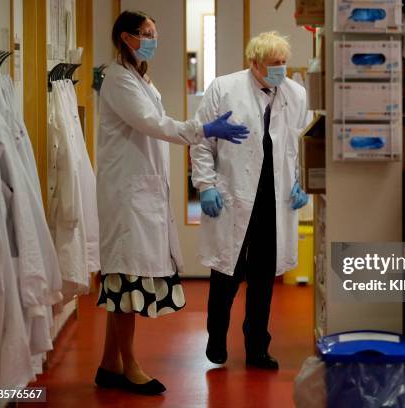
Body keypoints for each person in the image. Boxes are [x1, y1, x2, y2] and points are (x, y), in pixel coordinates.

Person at [94, 10, 249, 395]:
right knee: (126, 281)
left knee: (122, 281)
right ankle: (128, 366)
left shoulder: (138, 78)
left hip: (138, 192)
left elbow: (155, 121)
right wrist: (203, 130)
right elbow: (155, 124)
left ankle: (108, 364)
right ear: (126, 38)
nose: (152, 40)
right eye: (146, 34)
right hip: (127, 196)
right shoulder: (118, 80)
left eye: (154, 33)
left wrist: (197, 131)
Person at [191, 31, 312, 370]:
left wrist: (302, 184)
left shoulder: (296, 94)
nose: (280, 70)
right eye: (273, 64)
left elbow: (300, 145)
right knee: (226, 273)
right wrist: (206, 185)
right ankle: (216, 338)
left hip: (274, 198)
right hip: (233, 195)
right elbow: (201, 141)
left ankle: (257, 346)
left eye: (284, 63)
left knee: (262, 277)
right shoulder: (224, 88)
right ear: (254, 64)